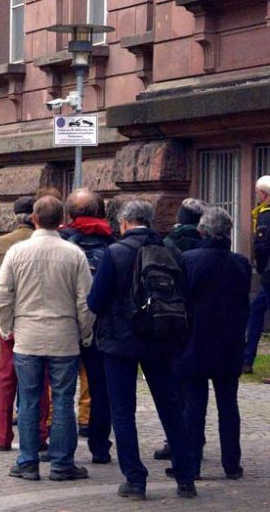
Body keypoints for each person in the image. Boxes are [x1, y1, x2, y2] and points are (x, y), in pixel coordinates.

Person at [87, 199, 196, 500]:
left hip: (119, 342)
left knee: (123, 410)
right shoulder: (171, 250)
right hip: (161, 337)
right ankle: (186, 476)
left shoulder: (115, 252)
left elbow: (95, 301)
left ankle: (135, 479)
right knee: (170, 406)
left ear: (124, 222)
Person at [0, 196, 94, 482]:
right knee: (63, 400)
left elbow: (1, 296)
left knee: (29, 399)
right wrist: (85, 333)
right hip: (64, 337)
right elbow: (84, 303)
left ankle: (27, 461)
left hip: (27, 336)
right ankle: (62, 463)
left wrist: (7, 326)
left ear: (34, 218)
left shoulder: (17, 252)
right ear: (61, 220)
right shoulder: (74, 254)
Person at [179, 207, 249, 481]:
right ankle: (232, 462)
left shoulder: (188, 260)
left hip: (195, 341)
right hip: (229, 342)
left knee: (194, 406)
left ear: (202, 231)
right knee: (228, 405)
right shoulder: (240, 263)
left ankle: (192, 462)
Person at [0, 196, 50, 451]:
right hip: (40, 321)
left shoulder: (1, 243)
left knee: (7, 380)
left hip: (10, 321)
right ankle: (40, 434)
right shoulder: (53, 245)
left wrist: (3, 317)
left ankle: (2, 436)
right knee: (41, 381)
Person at [59, 188, 115, 461]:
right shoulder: (112, 243)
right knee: (99, 387)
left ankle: (60, 446)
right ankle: (100, 446)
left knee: (60, 387)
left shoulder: (62, 242)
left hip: (65, 323)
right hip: (101, 324)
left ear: (70, 214)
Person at [245, 175, 270, 374]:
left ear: (264, 194)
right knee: (256, 310)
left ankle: (247, 359)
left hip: (269, 273)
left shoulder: (265, 215)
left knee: (256, 311)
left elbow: (262, 247)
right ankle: (247, 359)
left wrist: (261, 269)